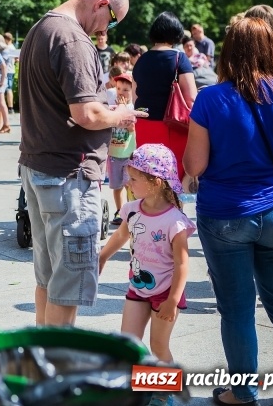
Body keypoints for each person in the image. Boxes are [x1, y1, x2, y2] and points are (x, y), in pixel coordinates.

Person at [183, 17, 273, 406]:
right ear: (270, 49)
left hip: (225, 214)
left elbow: (194, 166)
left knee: (236, 309)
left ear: (228, 50)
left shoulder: (211, 99)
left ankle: (243, 392)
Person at [18, 0, 144, 326]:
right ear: (101, 3)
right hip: (68, 178)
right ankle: (57, 371)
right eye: (113, 19)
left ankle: (43, 366)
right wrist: (121, 113)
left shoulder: (41, 28)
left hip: (42, 168)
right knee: (67, 285)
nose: (108, 29)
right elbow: (86, 114)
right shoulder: (73, 39)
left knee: (48, 280)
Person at [100, 144, 195, 406]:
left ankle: (166, 394)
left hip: (166, 293)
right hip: (137, 288)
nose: (128, 183)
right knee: (129, 343)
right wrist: (103, 256)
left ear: (155, 183)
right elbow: (121, 236)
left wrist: (173, 300)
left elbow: (183, 264)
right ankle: (142, 389)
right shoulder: (131, 209)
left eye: (133, 178)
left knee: (159, 347)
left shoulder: (174, 221)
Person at [132, 11, 197, 178]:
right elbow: (191, 98)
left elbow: (134, 96)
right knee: (170, 178)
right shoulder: (179, 58)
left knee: (149, 176)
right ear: (176, 33)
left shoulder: (141, 60)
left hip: (143, 123)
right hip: (171, 124)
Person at [107, 73, 136, 226]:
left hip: (128, 154)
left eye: (126, 89)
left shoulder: (133, 108)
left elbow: (131, 127)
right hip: (113, 154)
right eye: (118, 88)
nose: (121, 92)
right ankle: (120, 211)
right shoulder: (112, 108)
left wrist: (123, 108)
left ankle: (132, 210)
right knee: (116, 186)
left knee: (129, 184)